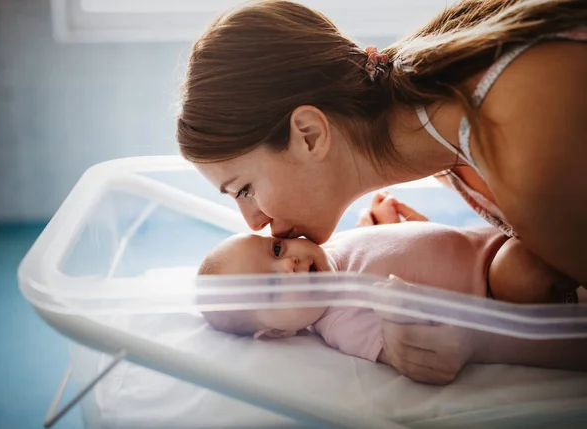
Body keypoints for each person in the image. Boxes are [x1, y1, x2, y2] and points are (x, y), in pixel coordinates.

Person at [178, 0, 587, 380]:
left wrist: (480, 337)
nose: (252, 221)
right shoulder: (444, 123)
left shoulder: (524, 149)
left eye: (244, 189)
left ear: (308, 134)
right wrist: (420, 252)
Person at [198, 192, 586, 384]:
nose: (290, 264)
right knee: (530, 265)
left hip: (487, 238)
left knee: (540, 211)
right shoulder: (343, 323)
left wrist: (382, 225)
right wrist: (400, 316)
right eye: (272, 288)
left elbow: (377, 249)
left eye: (276, 249)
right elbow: (406, 347)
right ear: (278, 331)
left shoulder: (329, 250)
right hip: (496, 285)